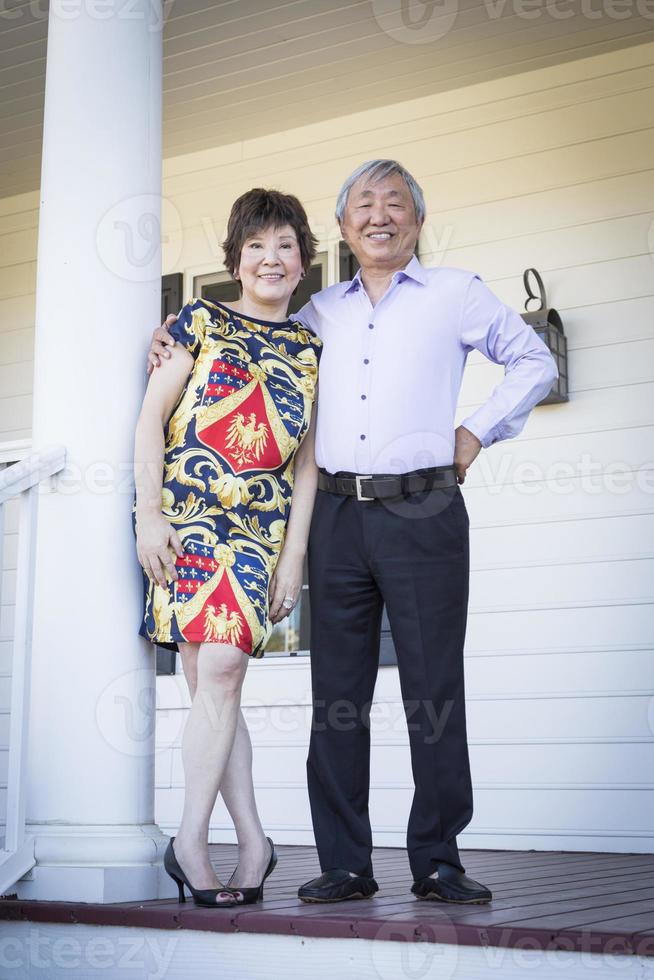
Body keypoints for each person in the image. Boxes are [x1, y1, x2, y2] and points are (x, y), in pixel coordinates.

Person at [148, 160, 558, 906]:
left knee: (434, 686)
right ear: (340, 229)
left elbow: (534, 359)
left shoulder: (455, 293)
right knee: (337, 692)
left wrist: (475, 431)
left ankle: (437, 858)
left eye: (394, 203)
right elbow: (248, 338)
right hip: (334, 512)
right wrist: (172, 334)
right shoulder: (316, 315)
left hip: (424, 509)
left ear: (417, 221)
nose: (379, 215)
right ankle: (344, 861)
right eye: (363, 205)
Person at [134, 188, 322, 907]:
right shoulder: (198, 323)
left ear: (303, 263)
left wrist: (294, 556)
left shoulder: (309, 347)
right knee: (217, 684)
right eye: (257, 248)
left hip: (258, 529)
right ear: (236, 261)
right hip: (186, 520)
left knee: (220, 671)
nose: (271, 260)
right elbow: (150, 418)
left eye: (285, 247)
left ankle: (188, 841)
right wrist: (148, 514)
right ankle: (253, 843)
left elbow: (306, 461)